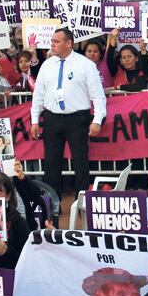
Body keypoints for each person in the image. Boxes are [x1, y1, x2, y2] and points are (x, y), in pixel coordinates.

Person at [30, 28, 107, 196]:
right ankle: (53, 201)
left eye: (57, 41)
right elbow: (38, 94)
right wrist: (34, 119)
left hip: (77, 118)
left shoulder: (86, 64)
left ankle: (81, 200)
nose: (52, 44)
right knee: (51, 162)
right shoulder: (47, 65)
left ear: (69, 43)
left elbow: (98, 95)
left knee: (80, 161)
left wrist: (98, 119)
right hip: (52, 118)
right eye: (52, 41)